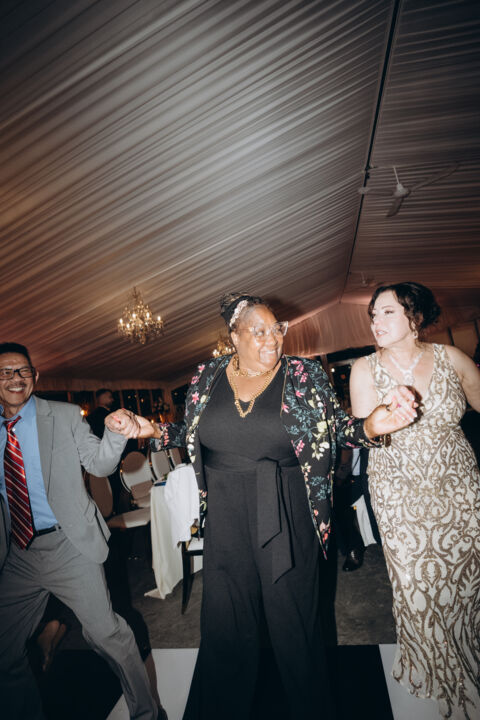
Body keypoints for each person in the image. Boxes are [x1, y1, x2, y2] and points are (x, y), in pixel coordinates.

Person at [107, 292, 417, 720]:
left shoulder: (303, 374)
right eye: (259, 331)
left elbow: (339, 429)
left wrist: (370, 426)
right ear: (234, 337)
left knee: (294, 625)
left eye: (277, 329)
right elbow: (191, 432)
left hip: (287, 509)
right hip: (226, 513)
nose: (272, 338)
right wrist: (152, 431)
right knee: (225, 624)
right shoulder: (207, 375)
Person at [0, 343, 163, 720]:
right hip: (16, 555)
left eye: (23, 370)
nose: (15, 378)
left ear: (35, 376)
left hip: (68, 544)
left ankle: (147, 714)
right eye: (5, 371)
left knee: (108, 636)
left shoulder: (64, 415)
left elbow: (99, 464)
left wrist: (116, 433)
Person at [349, 282, 480, 720]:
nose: (376, 321)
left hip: (459, 489)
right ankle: (446, 677)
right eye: (373, 314)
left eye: (387, 312)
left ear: (414, 316)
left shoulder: (452, 358)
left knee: (468, 582)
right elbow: (365, 433)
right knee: (417, 587)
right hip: (398, 492)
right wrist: (383, 417)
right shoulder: (364, 369)